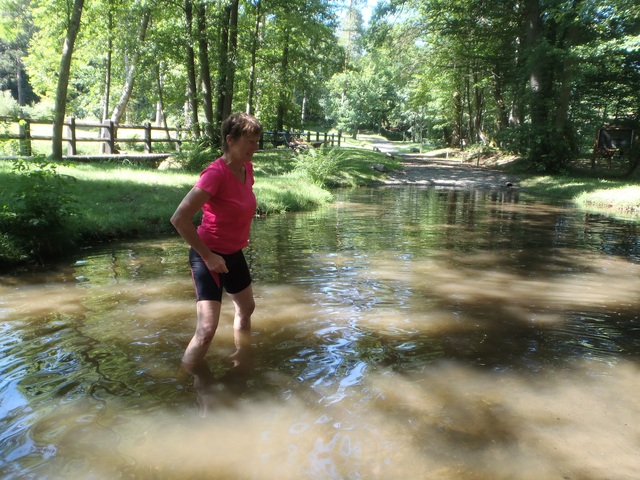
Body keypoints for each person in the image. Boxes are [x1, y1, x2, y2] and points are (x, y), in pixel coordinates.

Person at [171, 112, 263, 367]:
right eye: (250, 142)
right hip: (207, 255)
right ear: (231, 140)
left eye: (257, 141)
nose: (256, 147)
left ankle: (242, 358)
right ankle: (185, 378)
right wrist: (209, 257)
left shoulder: (247, 168)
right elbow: (179, 218)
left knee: (246, 309)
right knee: (206, 332)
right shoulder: (215, 174)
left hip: (234, 254)